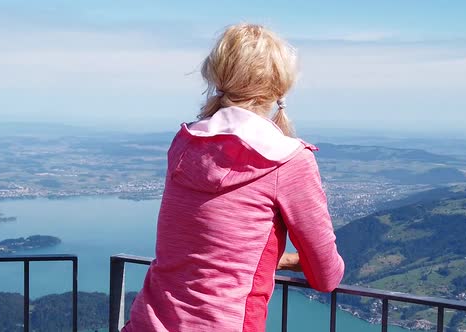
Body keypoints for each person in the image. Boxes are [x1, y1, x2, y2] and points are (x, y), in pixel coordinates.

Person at [124, 23, 344, 332]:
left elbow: (199, 243)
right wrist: (286, 261)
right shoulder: (288, 160)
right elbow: (326, 276)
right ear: (280, 84)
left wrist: (263, 260)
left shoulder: (185, 144)